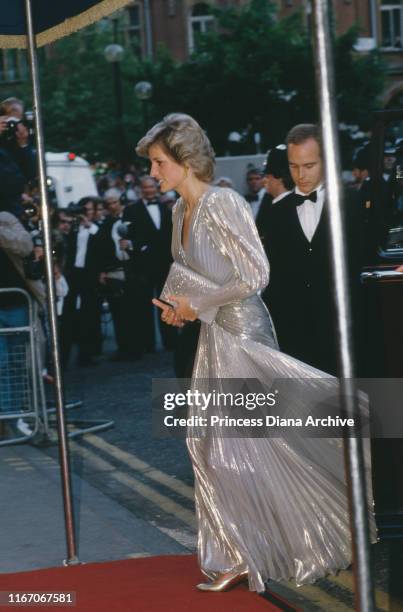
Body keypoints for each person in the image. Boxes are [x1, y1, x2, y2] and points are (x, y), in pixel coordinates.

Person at [137, 114, 376, 593]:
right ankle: (248, 547)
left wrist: (197, 304)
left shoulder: (222, 202)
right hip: (212, 336)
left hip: (243, 336)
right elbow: (194, 277)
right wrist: (181, 310)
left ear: (185, 160)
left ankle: (260, 550)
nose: (154, 173)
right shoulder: (179, 212)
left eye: (160, 163)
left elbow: (255, 276)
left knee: (242, 447)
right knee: (214, 446)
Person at [264, 124, 364, 375]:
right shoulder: (276, 214)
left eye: (309, 166)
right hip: (298, 338)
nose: (300, 175)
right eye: (293, 166)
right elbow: (275, 279)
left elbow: (364, 260)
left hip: (347, 333)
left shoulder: (351, 204)